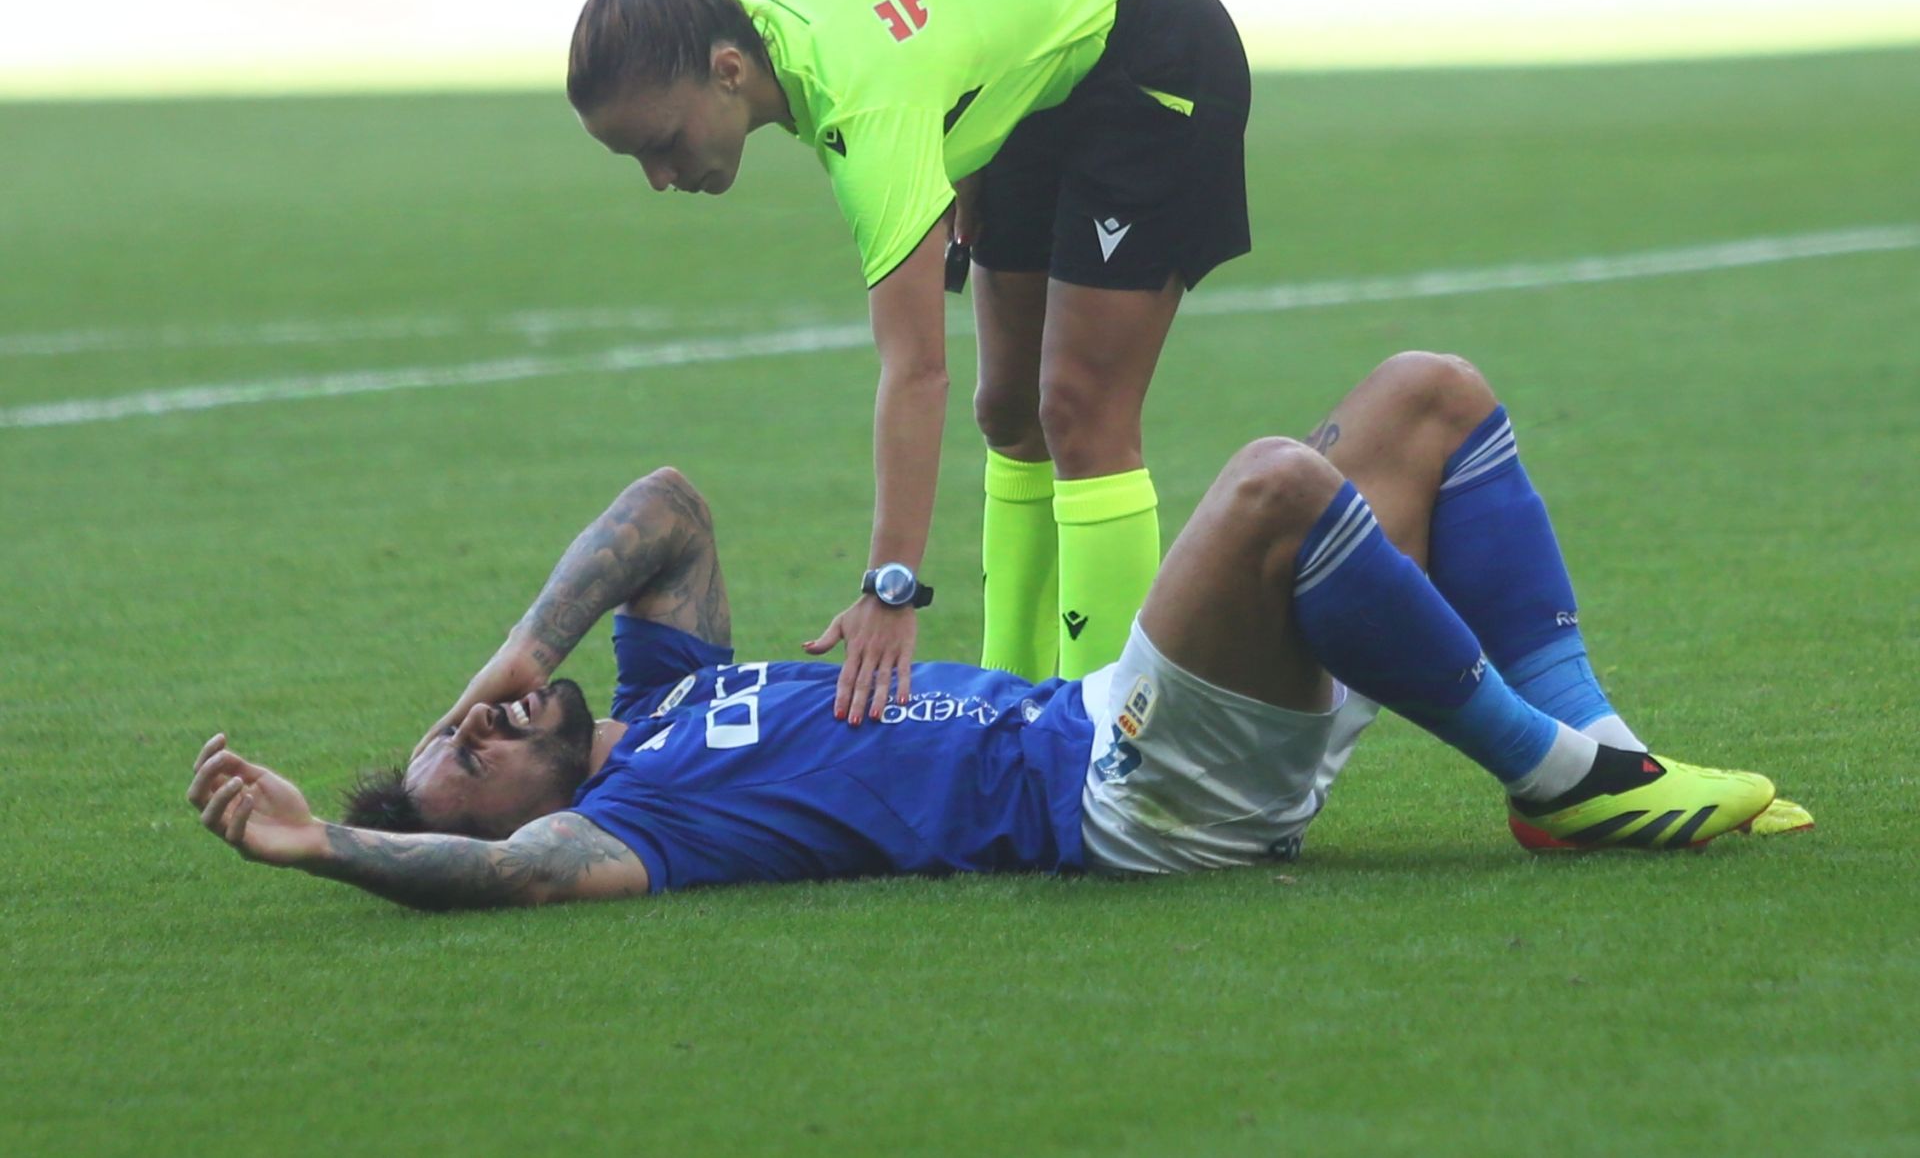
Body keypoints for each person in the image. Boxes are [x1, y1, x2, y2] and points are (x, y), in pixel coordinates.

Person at [187, 352, 1798, 911]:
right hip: (1126, 793)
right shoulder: (628, 821)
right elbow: (498, 873)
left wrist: (513, 647)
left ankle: (1592, 756)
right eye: (461, 762)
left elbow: (666, 504)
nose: (472, 735)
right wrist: (332, 841)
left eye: (456, 722)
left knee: (1430, 398)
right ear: (513, 816)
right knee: (1274, 487)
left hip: (1128, 718)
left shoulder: (660, 698)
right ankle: (1565, 772)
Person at [563, 0, 1252, 722]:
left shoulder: (866, 105)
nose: (660, 178)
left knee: (1079, 407)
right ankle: (1017, 700)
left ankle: (1109, 731)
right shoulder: (723, 7)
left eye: (663, 144)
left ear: (728, 71)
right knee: (1007, 410)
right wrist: (963, 144)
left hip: (1155, 56)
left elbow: (916, 368)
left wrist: (891, 588)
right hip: (1039, 81)